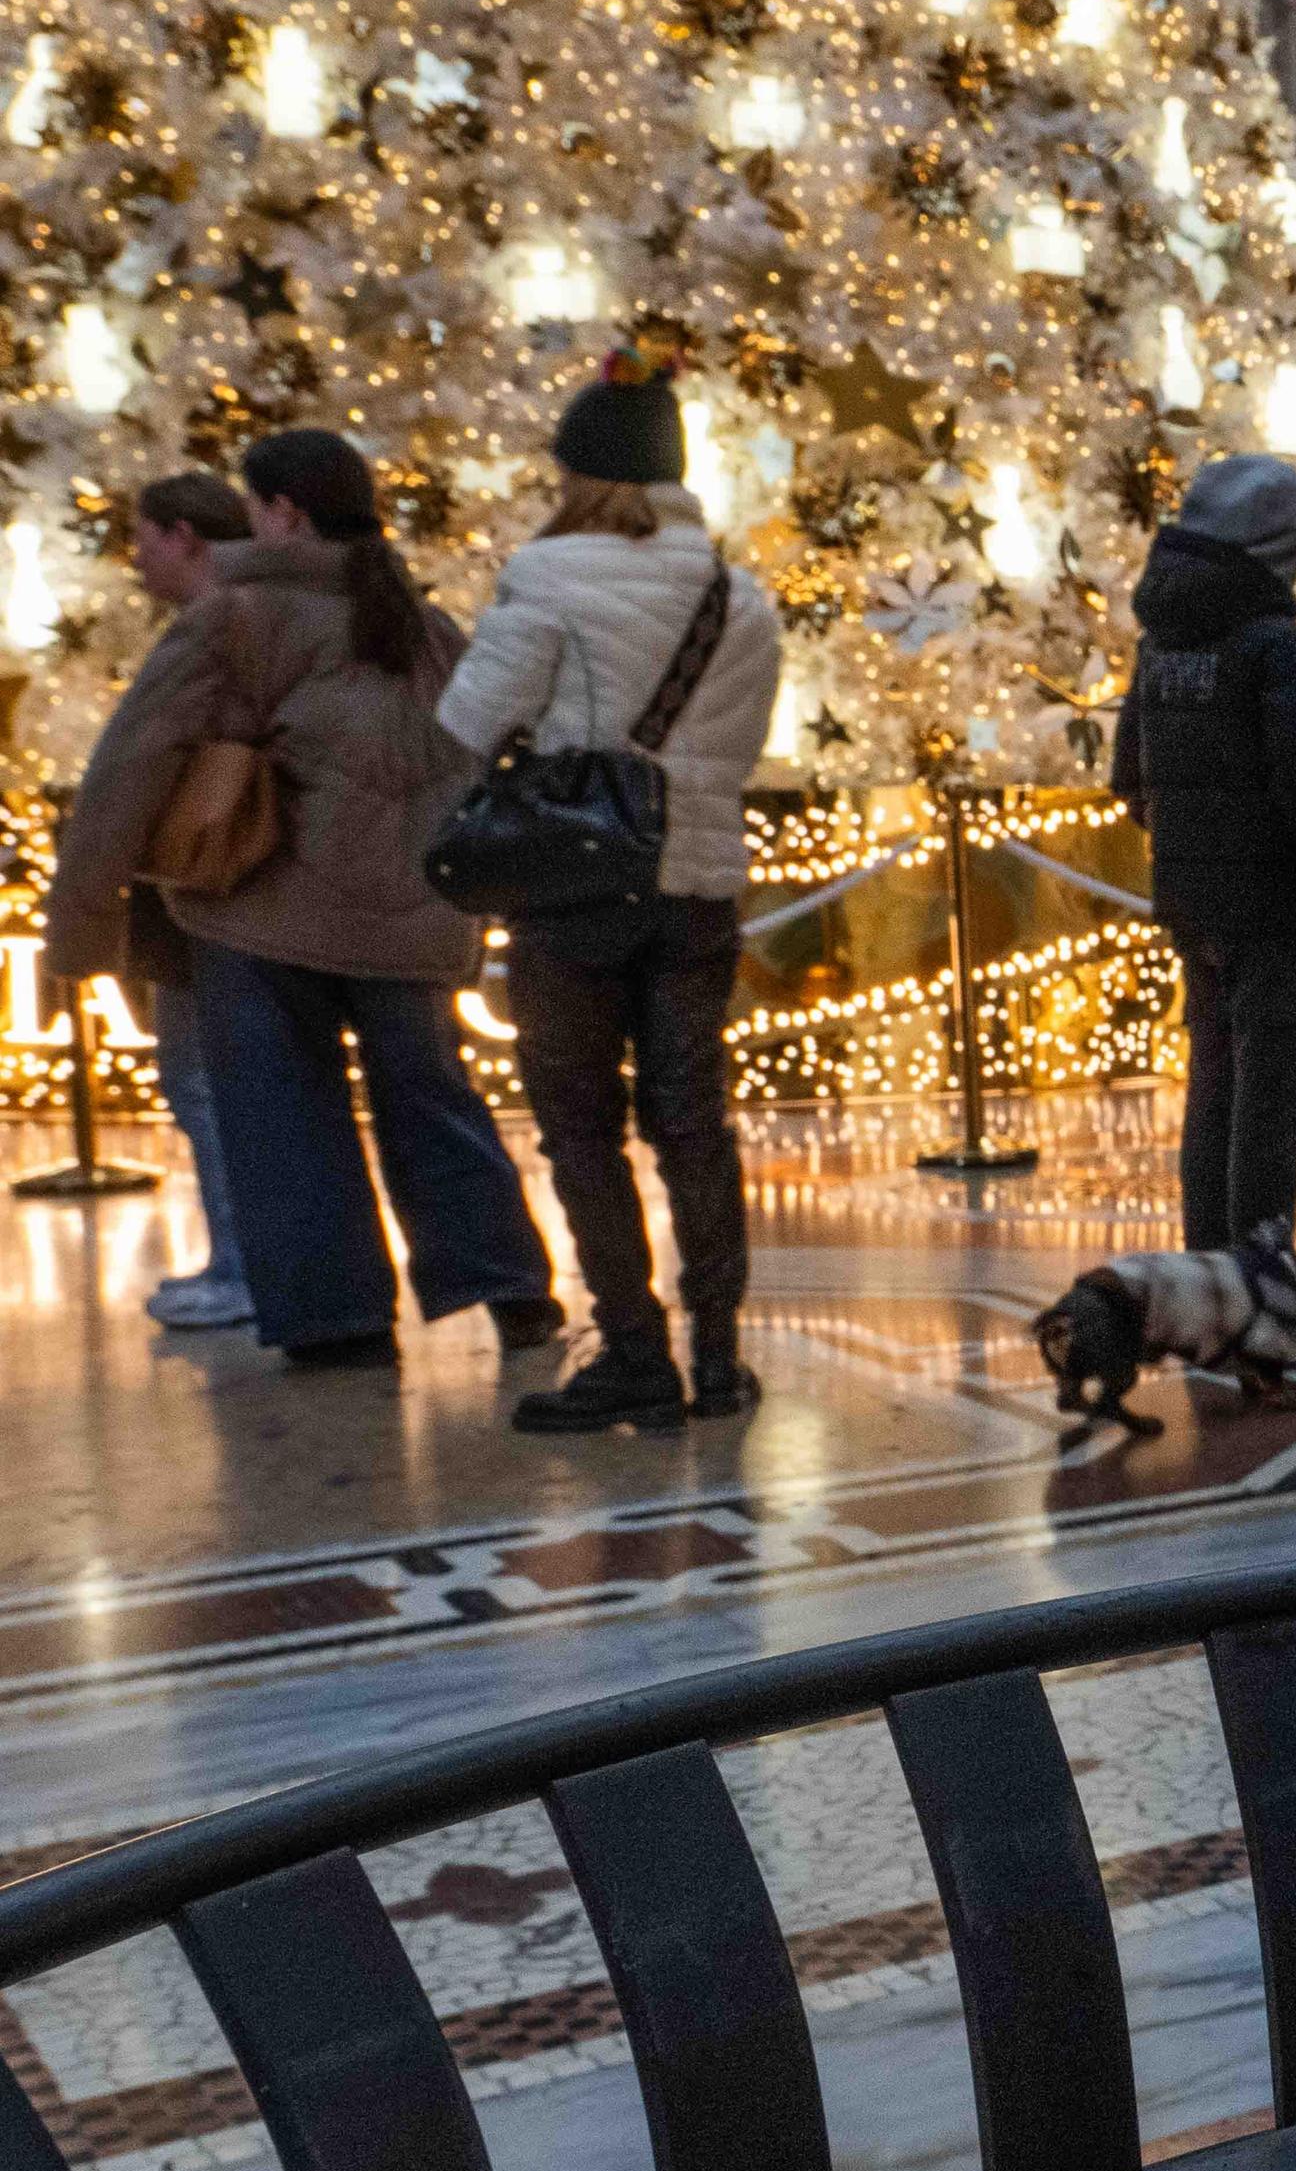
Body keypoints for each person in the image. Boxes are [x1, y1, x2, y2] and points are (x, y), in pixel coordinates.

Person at [51, 431, 555, 1368]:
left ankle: (337, 1322)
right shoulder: (424, 625)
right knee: (435, 1098)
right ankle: (508, 1286)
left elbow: (131, 765)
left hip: (264, 915)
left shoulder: (235, 617)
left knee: (284, 1121)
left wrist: (79, 923)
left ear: (282, 513)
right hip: (414, 913)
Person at [436, 355, 785, 1432]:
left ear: (578, 469)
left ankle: (634, 1351)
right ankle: (719, 1357)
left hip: (574, 895)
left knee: (581, 1125)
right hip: (696, 890)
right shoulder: (744, 596)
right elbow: (739, 746)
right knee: (694, 1121)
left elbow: (465, 722)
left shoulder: (545, 578)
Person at [1114, 454, 1296, 1270]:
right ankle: (1262, 1284)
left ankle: (1206, 1270)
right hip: (1276, 909)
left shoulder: (1158, 645)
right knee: (1274, 1098)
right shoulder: (1278, 649)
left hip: (1192, 901)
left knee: (1212, 1081)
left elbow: (1128, 780)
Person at [40, 473, 258, 1330]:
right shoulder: (261, 617)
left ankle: (242, 1267)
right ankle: (244, 1263)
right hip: (232, 879)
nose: (134, 557)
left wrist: (86, 891)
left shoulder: (213, 628)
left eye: (143, 537)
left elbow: (133, 769)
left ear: (185, 537)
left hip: (203, 880)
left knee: (202, 1080)